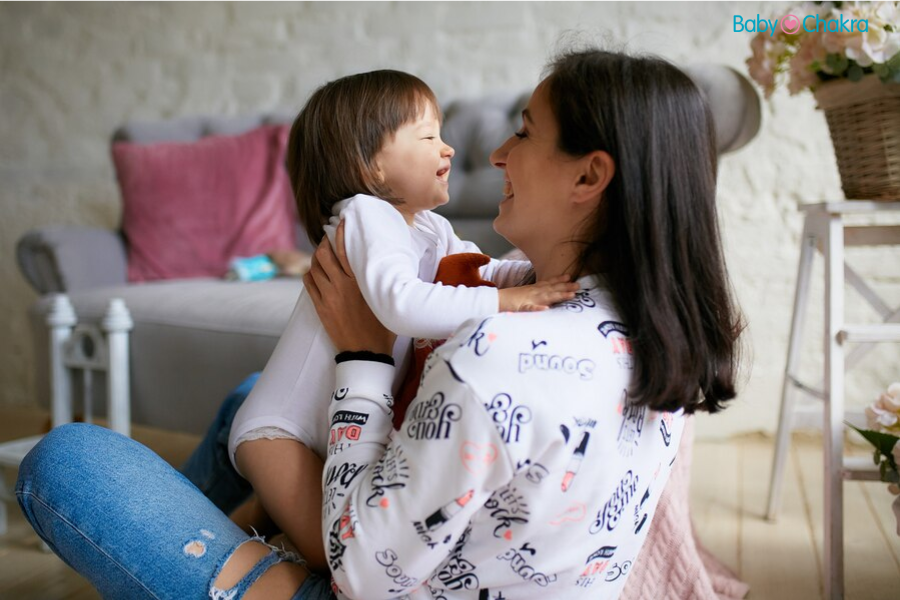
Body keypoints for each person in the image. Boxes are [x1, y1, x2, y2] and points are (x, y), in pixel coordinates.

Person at [16, 47, 743, 599]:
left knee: (68, 460)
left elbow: (364, 575)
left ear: (589, 177)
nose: (494, 154)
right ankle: (188, 539)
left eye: (523, 133)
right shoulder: (651, 319)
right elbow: (469, 282)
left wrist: (361, 356)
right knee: (248, 398)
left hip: (371, 576)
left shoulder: (500, 348)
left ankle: (192, 550)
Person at [225, 69, 578, 571]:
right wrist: (510, 302)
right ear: (371, 168)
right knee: (330, 561)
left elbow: (481, 272)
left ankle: (243, 522)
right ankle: (210, 546)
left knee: (276, 523)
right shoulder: (367, 215)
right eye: (429, 136)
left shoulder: (429, 227)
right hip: (278, 434)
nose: (449, 149)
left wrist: (546, 279)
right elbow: (403, 305)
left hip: (326, 429)